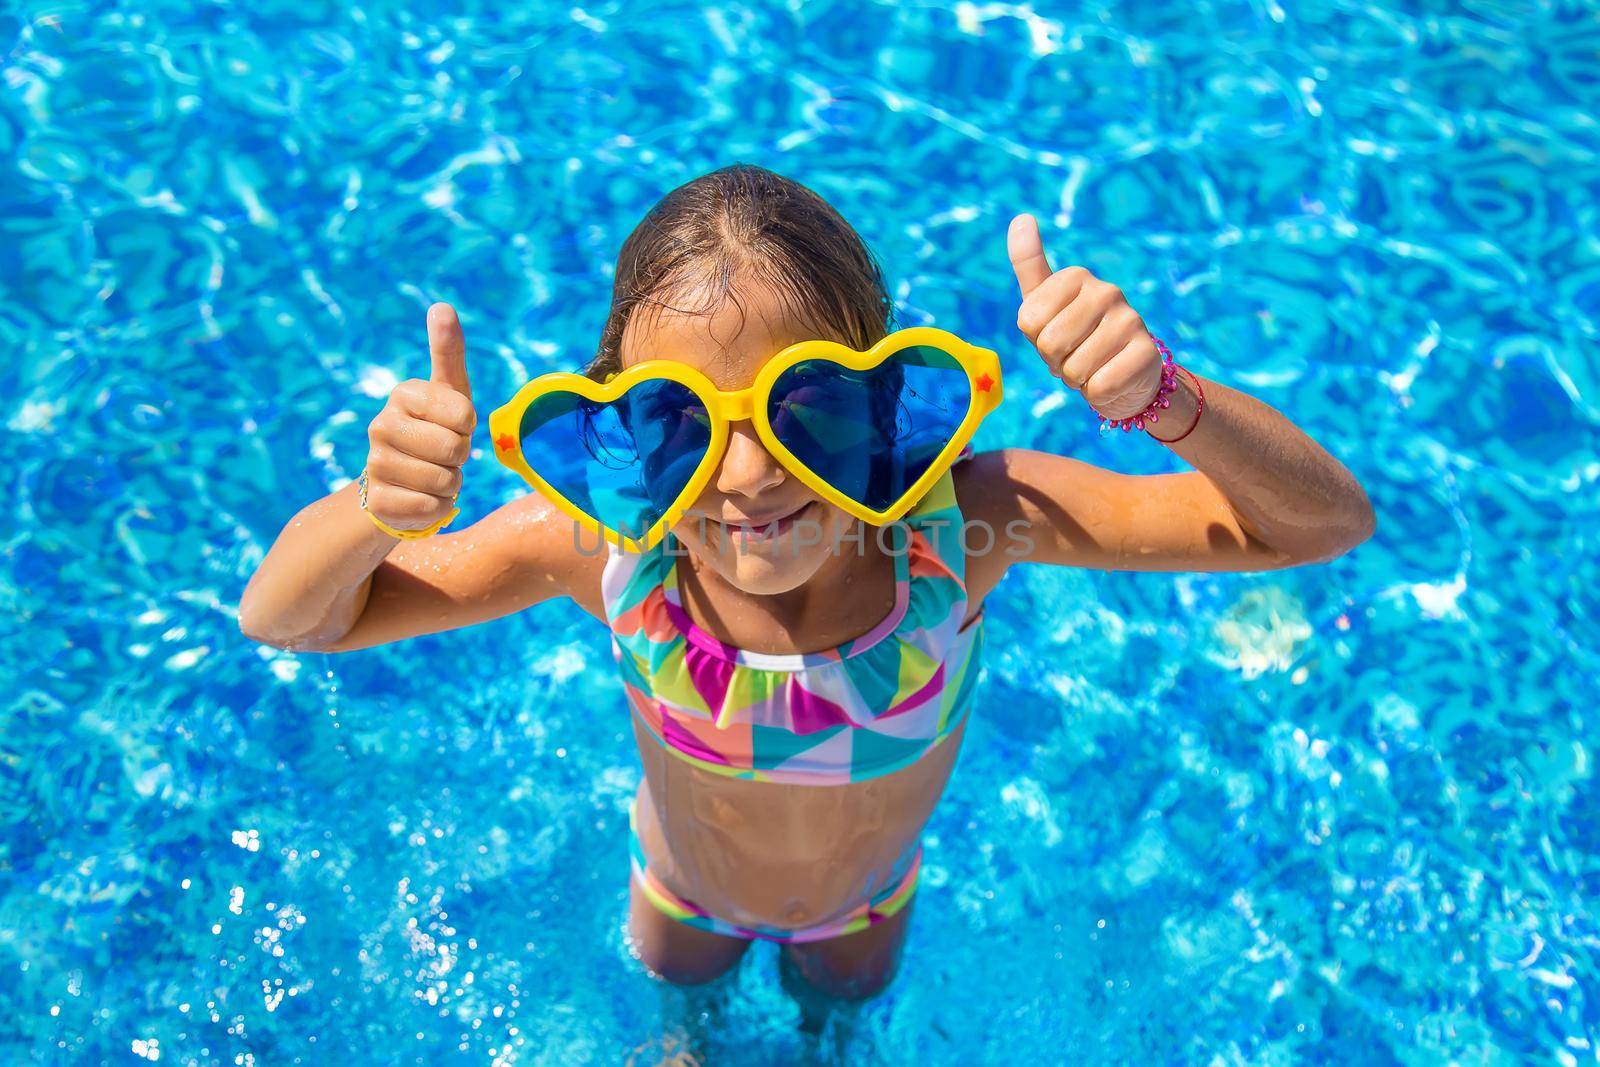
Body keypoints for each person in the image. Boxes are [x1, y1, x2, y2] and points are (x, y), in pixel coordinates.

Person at [238, 164, 1374, 1010]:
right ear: (621, 433)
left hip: (864, 904)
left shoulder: (964, 532)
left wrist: (1164, 400)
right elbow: (290, 619)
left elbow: (1320, 524)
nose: (745, 476)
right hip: (680, 891)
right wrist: (373, 509)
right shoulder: (601, 552)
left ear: (885, 404)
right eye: (679, 422)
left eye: (809, 407)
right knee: (680, 1023)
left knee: (840, 1026)